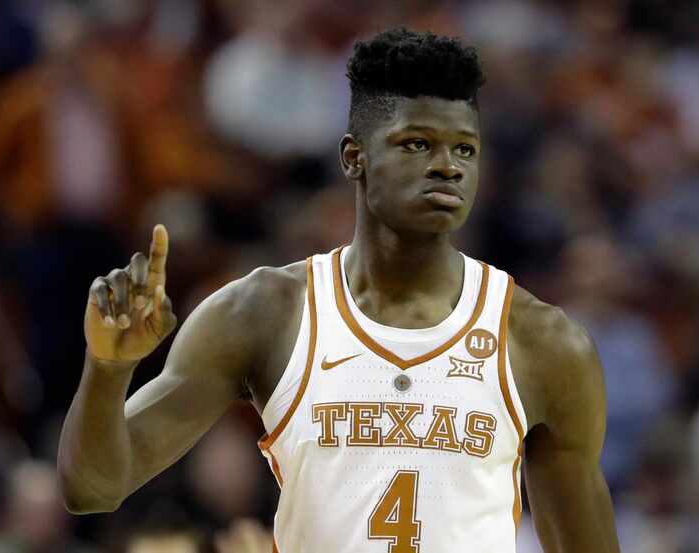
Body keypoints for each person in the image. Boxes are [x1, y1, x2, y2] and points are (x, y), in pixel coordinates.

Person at [58, 28, 620, 552]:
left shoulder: (543, 342)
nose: (448, 167)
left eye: (465, 149)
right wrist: (108, 370)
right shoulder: (264, 313)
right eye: (417, 144)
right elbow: (93, 490)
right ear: (355, 157)